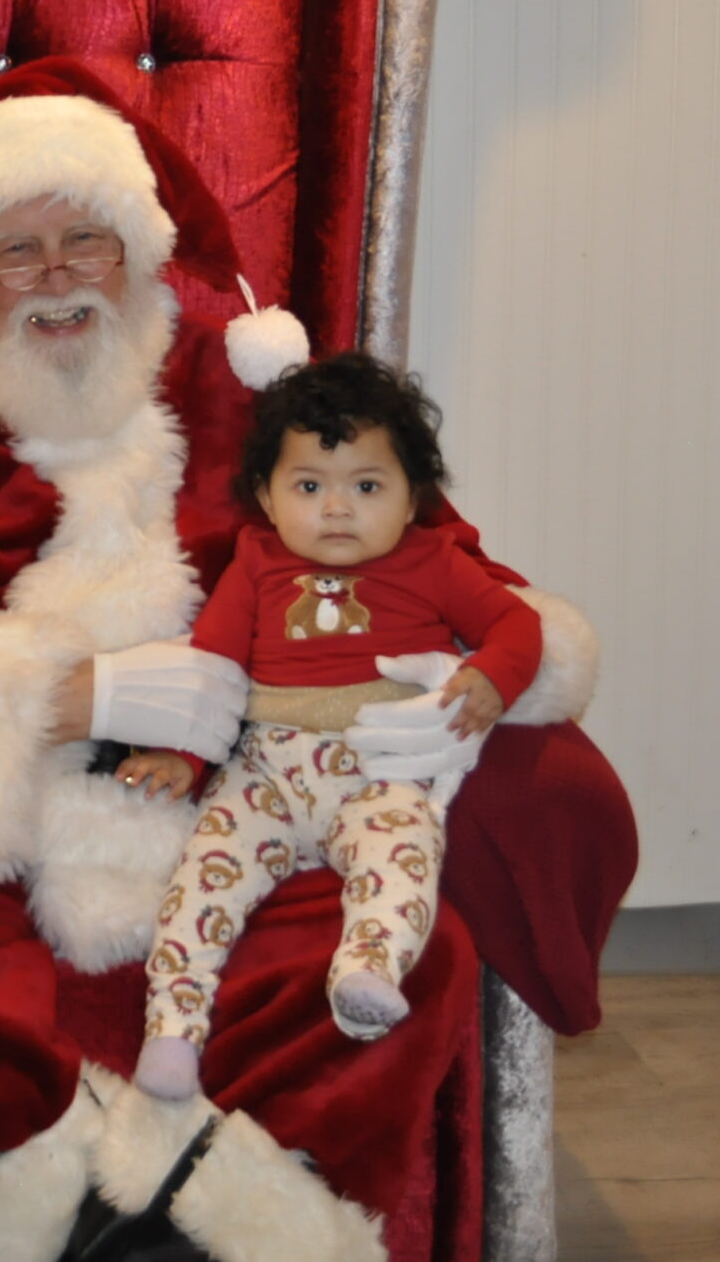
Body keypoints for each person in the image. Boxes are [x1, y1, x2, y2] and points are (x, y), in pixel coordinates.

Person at [0, 58, 619, 1262]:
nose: (59, 278)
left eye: (87, 240)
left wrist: (472, 669)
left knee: (396, 944)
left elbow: (424, 546)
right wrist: (75, 696)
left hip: (244, 797)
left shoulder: (245, 385)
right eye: (17, 252)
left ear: (139, 250)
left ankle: (206, 1226)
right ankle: (43, 1204)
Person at [127, 353, 542, 1105]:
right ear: (267, 496)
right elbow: (213, 671)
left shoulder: (435, 562)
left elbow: (516, 625)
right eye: (310, 487)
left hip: (378, 772)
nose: (338, 509)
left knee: (405, 855)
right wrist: (184, 755)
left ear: (414, 499)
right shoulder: (256, 563)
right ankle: (172, 1030)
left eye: (367, 486)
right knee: (201, 877)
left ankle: (368, 969)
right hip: (266, 773)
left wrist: (491, 676)